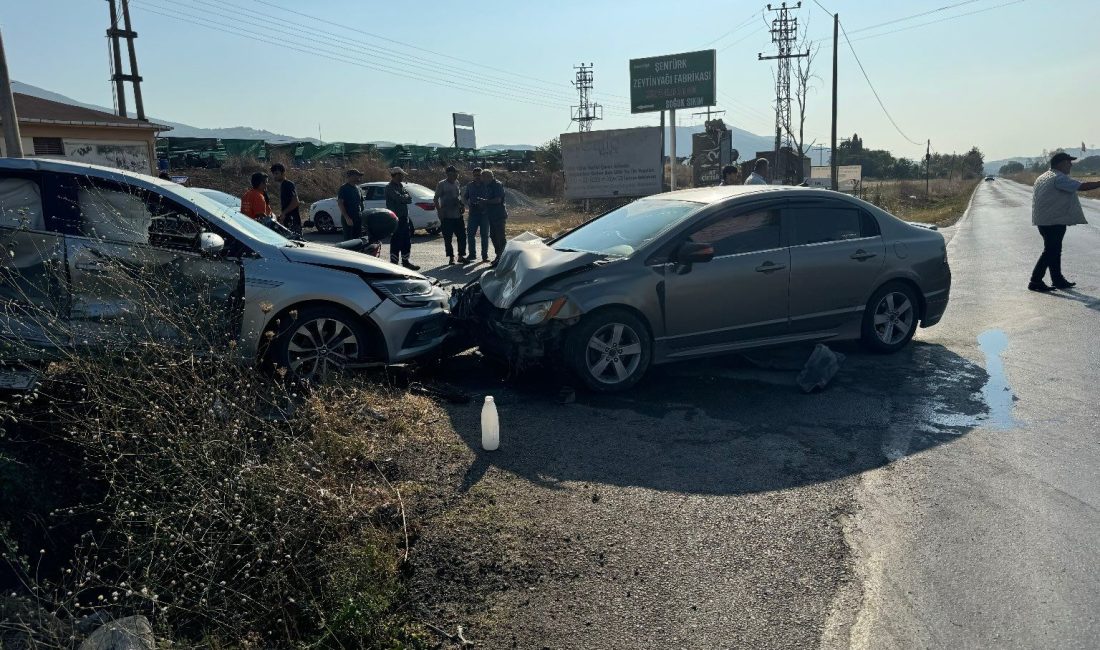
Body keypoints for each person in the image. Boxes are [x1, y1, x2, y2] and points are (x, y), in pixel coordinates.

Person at [1028, 152, 1100, 292]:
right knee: (1050, 251)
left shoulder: (1044, 176)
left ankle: (1057, 279)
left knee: (1054, 250)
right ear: (1060, 163)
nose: (1071, 165)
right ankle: (1035, 280)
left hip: (1045, 220)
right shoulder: (1058, 178)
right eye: (1069, 162)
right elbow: (1082, 187)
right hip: (1053, 221)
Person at [385, 167, 419, 270]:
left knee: (406, 240)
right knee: (396, 240)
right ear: (395, 175)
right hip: (395, 218)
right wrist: (403, 198)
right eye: (401, 175)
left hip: (404, 218)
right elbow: (398, 198)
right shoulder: (389, 187)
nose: (402, 177)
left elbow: (409, 198)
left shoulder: (401, 186)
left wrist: (403, 197)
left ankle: (406, 261)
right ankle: (394, 264)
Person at [435, 165, 468, 264]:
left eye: (456, 173)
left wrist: (461, 205)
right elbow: (435, 199)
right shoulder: (442, 184)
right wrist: (439, 211)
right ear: (448, 174)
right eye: (452, 173)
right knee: (448, 238)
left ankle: (461, 256)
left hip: (457, 215)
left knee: (462, 236)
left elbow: (458, 196)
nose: (455, 175)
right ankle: (451, 257)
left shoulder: (457, 183)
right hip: (446, 215)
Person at [481, 170, 508, 265]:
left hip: (499, 215)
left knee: (500, 237)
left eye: (483, 177)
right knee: (493, 236)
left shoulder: (497, 185)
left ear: (489, 177)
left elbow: (498, 200)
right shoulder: (487, 186)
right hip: (491, 215)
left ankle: (504, 259)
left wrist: (485, 201)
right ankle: (499, 256)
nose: (482, 180)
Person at [465, 168, 490, 263]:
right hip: (473, 213)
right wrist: (468, 203)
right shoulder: (470, 185)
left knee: (484, 235)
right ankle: (472, 255)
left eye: (479, 175)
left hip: (484, 213)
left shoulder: (487, 185)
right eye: (475, 175)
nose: (477, 177)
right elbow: (465, 197)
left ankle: (485, 256)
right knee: (470, 234)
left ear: (482, 176)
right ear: (473, 176)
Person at [270, 163, 302, 235]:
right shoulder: (283, 185)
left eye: (276, 173)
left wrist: (284, 213)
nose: (274, 176)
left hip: (293, 221)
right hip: (288, 220)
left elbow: (295, 202)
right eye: (273, 174)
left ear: (283, 173)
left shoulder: (288, 184)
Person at [337, 169, 365, 239]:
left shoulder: (358, 188)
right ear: (351, 176)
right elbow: (340, 203)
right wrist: (347, 218)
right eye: (357, 176)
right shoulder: (344, 188)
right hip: (349, 218)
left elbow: (361, 203)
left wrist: (362, 216)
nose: (359, 178)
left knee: (358, 240)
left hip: (358, 218)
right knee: (349, 241)